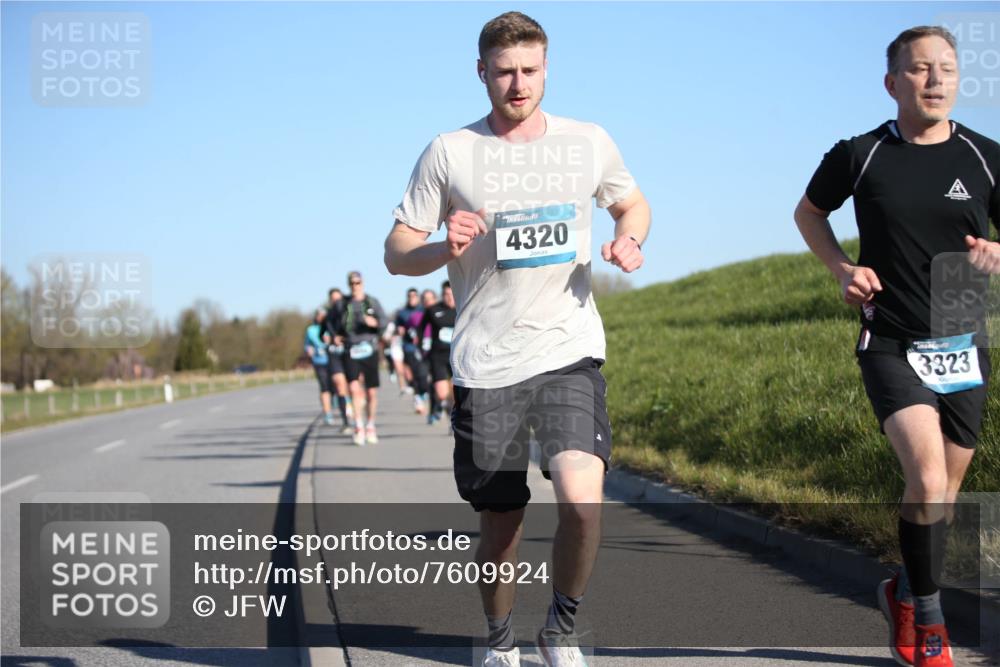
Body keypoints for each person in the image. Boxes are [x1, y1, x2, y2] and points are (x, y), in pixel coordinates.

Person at [384, 12, 650, 666]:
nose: (518, 83)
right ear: (482, 72)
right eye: (504, 71)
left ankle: (560, 628)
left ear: (546, 68)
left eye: (530, 70)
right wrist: (441, 245)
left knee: (583, 502)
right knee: (501, 523)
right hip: (487, 360)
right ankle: (500, 637)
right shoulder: (450, 151)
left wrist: (629, 238)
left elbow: (631, 202)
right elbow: (396, 251)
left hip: (568, 350)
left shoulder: (586, 141)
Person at [794, 26, 999, 667]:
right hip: (890, 338)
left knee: (939, 499)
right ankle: (931, 623)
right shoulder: (861, 154)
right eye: (919, 69)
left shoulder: (986, 157)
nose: (935, 79)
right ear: (893, 82)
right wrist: (842, 269)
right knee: (928, 479)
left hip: (963, 335)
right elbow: (808, 213)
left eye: (945, 68)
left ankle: (904, 590)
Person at [339, 271, 387, 446]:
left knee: (371, 393)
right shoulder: (343, 304)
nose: (355, 286)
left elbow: (384, 322)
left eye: (357, 282)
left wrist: (374, 323)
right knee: (354, 389)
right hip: (351, 349)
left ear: (363, 283)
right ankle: (358, 426)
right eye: (352, 283)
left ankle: (370, 425)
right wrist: (334, 335)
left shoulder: (372, 302)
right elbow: (332, 323)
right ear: (348, 284)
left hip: (369, 349)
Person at [418, 281, 457, 426]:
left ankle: (453, 419)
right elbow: (421, 329)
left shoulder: (463, 307)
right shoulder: (433, 309)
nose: (449, 297)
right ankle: (443, 409)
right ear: (442, 295)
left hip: (457, 356)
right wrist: (421, 347)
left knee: (455, 392)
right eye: (446, 294)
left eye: (451, 294)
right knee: (441, 393)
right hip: (438, 356)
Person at [396, 287, 431, 415]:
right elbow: (398, 327)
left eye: (414, 296)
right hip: (409, 347)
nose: (412, 298)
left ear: (418, 297)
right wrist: (399, 330)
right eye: (410, 296)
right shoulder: (402, 313)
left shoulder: (424, 311)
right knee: (416, 373)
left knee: (424, 374)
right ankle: (418, 398)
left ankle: (424, 394)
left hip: (425, 346)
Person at [323, 287, 353, 434]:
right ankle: (346, 422)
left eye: (338, 299)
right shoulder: (327, 315)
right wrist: (326, 337)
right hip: (334, 352)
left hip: (350, 351)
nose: (336, 302)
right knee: (340, 385)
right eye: (333, 299)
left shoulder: (350, 311)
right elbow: (322, 332)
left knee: (353, 385)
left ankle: (356, 412)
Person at [304, 308, 335, 425]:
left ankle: (337, 401)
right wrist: (309, 350)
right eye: (320, 316)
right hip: (319, 361)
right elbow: (307, 345)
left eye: (324, 316)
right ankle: (328, 414)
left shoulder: (331, 327)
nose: (321, 318)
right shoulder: (311, 330)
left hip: (333, 360)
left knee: (335, 386)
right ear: (316, 317)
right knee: (324, 387)